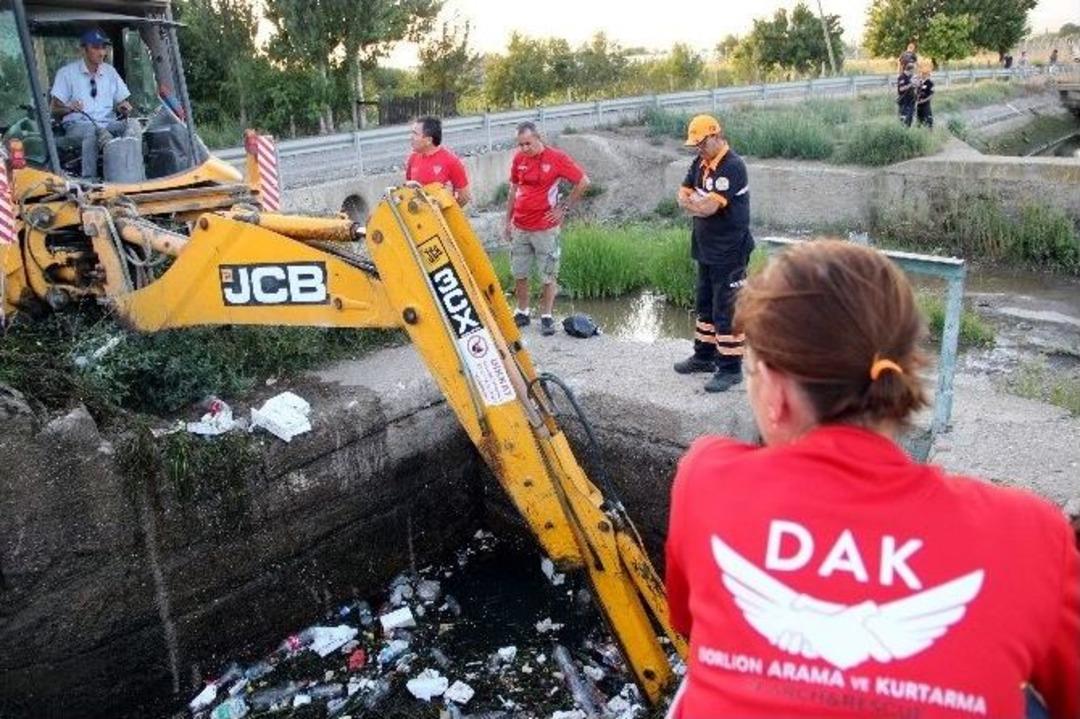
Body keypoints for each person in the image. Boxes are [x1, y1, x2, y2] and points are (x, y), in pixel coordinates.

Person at [664, 240, 1080, 719]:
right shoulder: (1029, 532)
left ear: (776, 395)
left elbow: (690, 623)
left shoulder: (708, 478)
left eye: (754, 370)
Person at [674, 115, 753, 393]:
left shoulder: (732, 166)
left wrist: (696, 204)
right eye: (695, 145)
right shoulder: (700, 163)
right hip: (706, 247)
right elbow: (681, 194)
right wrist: (696, 202)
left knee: (728, 309)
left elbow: (709, 208)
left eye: (701, 143)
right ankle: (704, 356)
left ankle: (731, 369)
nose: (698, 149)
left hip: (730, 250)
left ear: (715, 136)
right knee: (705, 303)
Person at [503, 121, 589, 336]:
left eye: (528, 144)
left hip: (545, 228)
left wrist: (563, 209)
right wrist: (507, 221)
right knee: (519, 273)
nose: (524, 148)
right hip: (520, 226)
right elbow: (513, 189)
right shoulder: (518, 158)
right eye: (520, 144)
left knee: (548, 274)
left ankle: (546, 316)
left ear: (538, 138)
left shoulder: (557, 158)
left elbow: (584, 182)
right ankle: (522, 311)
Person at [50, 28, 138, 179]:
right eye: (96, 48)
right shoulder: (66, 74)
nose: (101, 52)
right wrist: (69, 108)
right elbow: (54, 110)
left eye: (103, 47)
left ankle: (133, 171)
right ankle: (89, 179)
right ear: (83, 50)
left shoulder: (110, 72)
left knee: (134, 125)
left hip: (107, 123)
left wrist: (123, 107)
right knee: (94, 131)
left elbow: (122, 102)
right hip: (78, 126)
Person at [405, 116, 471, 207]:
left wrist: (447, 211)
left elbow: (464, 197)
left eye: (415, 134)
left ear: (429, 140)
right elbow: (408, 188)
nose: (411, 137)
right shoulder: (413, 158)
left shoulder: (451, 161)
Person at [896, 62, 916, 127]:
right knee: (904, 119)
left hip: (911, 101)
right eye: (913, 70)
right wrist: (910, 84)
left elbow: (912, 87)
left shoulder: (910, 77)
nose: (914, 71)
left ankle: (908, 133)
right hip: (904, 102)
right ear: (911, 70)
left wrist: (916, 84)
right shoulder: (902, 77)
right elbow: (901, 89)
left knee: (910, 119)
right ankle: (903, 133)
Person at [915, 64, 935, 128]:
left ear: (928, 75)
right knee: (919, 121)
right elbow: (917, 92)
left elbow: (931, 95)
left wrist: (923, 101)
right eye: (922, 73)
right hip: (918, 105)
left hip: (925, 105)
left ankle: (930, 132)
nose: (923, 75)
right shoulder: (920, 83)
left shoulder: (930, 83)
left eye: (925, 74)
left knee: (928, 120)